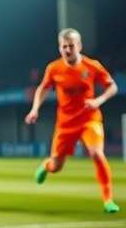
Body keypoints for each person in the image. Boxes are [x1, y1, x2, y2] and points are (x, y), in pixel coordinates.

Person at [24, 28, 120, 213]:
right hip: (65, 124)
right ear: (60, 48)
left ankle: (108, 200)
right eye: (64, 46)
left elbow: (112, 86)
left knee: (97, 154)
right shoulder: (54, 68)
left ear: (79, 46)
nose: (68, 50)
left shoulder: (92, 66)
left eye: (71, 46)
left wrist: (98, 101)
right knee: (56, 166)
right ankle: (46, 166)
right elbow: (43, 89)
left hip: (89, 120)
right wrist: (35, 109)